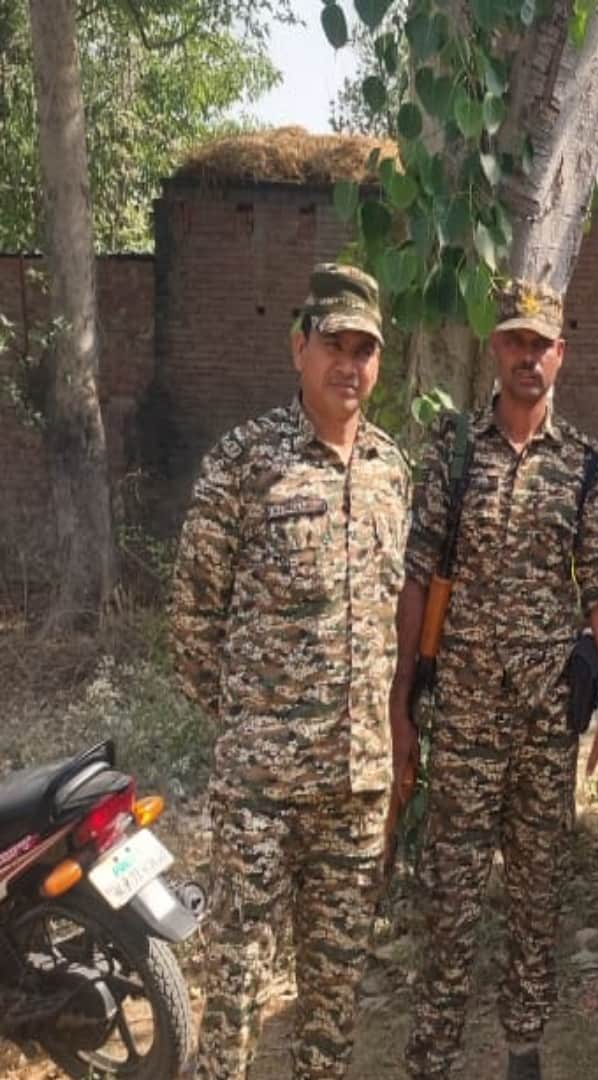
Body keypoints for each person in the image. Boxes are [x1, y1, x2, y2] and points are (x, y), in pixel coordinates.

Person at [172, 264, 410, 1080]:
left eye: (365, 349)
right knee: (235, 982)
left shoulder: (389, 470)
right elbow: (194, 617)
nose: (350, 364)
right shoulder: (245, 462)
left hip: (355, 787)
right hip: (262, 790)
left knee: (332, 995)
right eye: (334, 344)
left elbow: (387, 619)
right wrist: (251, 724)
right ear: (298, 347)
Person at [394, 279, 598, 1080]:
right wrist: (402, 706)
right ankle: (432, 1055)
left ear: (561, 354)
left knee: (537, 895)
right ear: (497, 348)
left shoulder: (585, 464)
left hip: (540, 726)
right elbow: (418, 576)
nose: (529, 358)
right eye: (516, 342)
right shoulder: (456, 451)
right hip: (462, 720)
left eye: (543, 344)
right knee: (448, 899)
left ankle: (523, 1047)